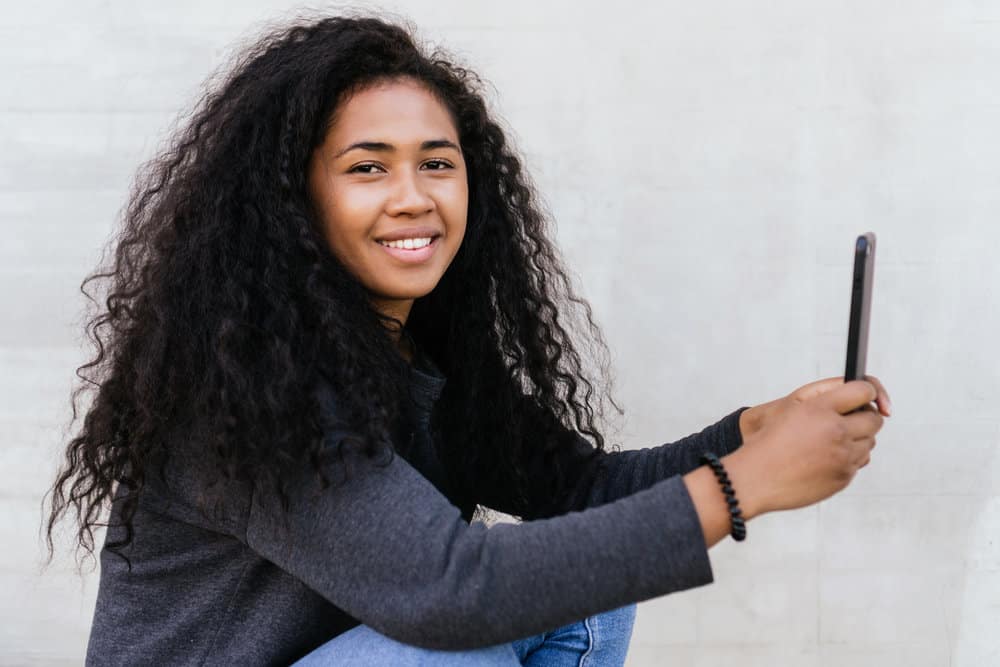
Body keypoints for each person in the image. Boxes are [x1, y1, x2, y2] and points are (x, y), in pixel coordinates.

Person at [44, 12, 892, 667]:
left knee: (590, 578)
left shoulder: (414, 355)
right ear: (292, 202)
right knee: (451, 642)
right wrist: (743, 486)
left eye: (437, 163)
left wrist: (749, 433)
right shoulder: (243, 393)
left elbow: (582, 488)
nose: (413, 195)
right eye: (368, 166)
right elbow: (449, 590)